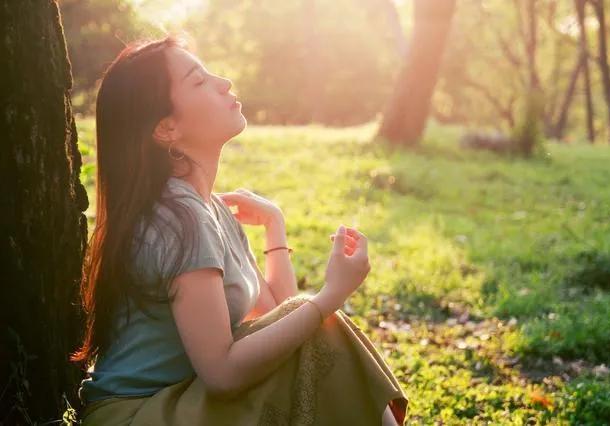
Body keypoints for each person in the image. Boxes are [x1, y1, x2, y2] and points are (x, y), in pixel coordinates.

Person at [70, 34, 408, 426]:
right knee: (316, 318)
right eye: (199, 81)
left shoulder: (208, 209)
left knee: (314, 326)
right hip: (138, 414)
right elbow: (223, 375)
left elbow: (281, 319)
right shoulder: (179, 219)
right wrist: (330, 295)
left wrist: (273, 226)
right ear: (166, 129)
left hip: (181, 400)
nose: (223, 82)